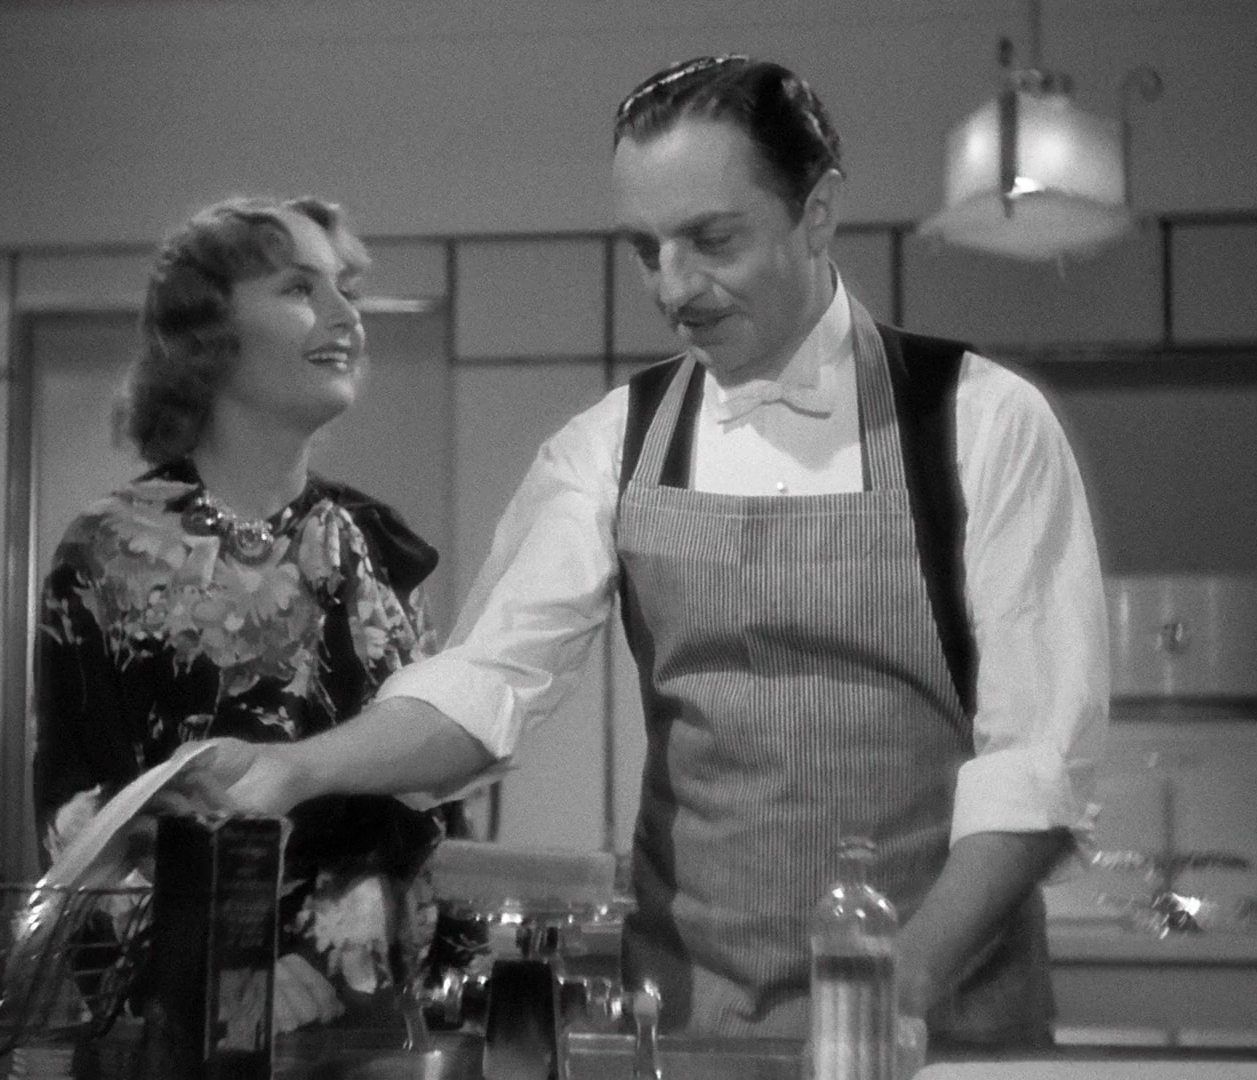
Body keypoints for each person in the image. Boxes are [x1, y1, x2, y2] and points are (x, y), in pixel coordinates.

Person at [193, 56, 1109, 1049]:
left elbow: (1035, 766)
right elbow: (484, 684)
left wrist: (898, 985)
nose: (674, 288)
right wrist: (295, 770)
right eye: (645, 248)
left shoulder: (981, 422)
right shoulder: (610, 446)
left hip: (944, 1027)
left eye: (713, 240)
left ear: (817, 213)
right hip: (692, 1026)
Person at [32, 195, 475, 1031]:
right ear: (208, 331)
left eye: (347, 289)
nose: (347, 316)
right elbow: (82, 826)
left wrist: (404, 975)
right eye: (301, 289)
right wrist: (233, 981)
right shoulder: (108, 552)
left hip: (374, 1022)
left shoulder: (377, 543)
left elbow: (428, 811)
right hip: (190, 1027)